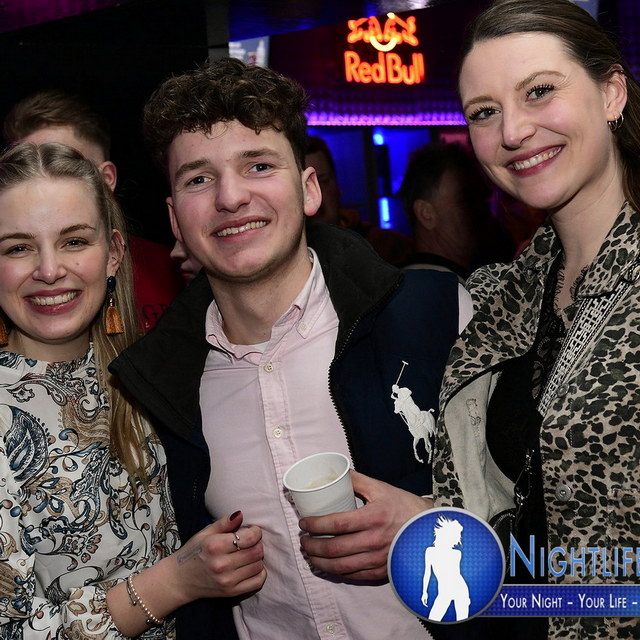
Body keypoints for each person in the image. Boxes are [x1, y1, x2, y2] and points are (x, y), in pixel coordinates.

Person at [110, 57, 473, 639]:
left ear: (308, 189)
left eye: (258, 165)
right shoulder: (161, 387)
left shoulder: (435, 315)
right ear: (176, 220)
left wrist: (426, 524)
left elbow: (550, 529)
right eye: (199, 179)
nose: (231, 197)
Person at [433, 1, 640, 638]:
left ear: (611, 93)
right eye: (484, 112)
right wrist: (419, 520)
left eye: (540, 91)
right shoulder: (503, 298)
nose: (513, 131)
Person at [0, 142, 265, 638]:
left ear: (114, 254)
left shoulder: (151, 373)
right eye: (18, 248)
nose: (50, 270)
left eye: (74, 241)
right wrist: (175, 582)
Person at [3, 89, 184, 329]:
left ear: (106, 179)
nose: (41, 177)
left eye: (65, 163)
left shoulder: (176, 270)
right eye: (24, 164)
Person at [305, 134, 415, 266]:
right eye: (303, 186)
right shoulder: (289, 259)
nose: (314, 193)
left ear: (337, 186)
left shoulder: (385, 246)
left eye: (322, 181)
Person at [398, 143, 497, 281]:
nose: (481, 210)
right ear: (425, 214)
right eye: (465, 201)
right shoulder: (431, 288)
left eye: (483, 200)